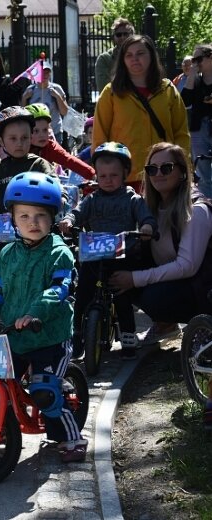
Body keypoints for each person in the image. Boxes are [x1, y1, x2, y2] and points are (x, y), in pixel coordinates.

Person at [0, 172, 88, 463]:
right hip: (14, 336)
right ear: (12, 218)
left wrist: (34, 312)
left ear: (53, 218)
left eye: (40, 216)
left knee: (44, 392)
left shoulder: (59, 253)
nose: (32, 223)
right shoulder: (8, 253)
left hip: (49, 336)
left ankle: (72, 438)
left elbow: (59, 289)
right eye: (24, 216)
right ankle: (4, 425)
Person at [58, 143, 157, 359]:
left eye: (114, 175)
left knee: (122, 296)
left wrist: (147, 227)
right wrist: (68, 219)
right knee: (82, 293)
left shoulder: (133, 199)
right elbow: (77, 213)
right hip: (94, 255)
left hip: (123, 255)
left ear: (125, 174)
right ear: (96, 175)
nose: (108, 180)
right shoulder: (91, 200)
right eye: (102, 176)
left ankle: (129, 337)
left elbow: (146, 217)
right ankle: (77, 336)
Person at [109, 142, 212, 346]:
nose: (158, 174)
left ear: (183, 172)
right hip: (177, 280)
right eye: (151, 169)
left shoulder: (196, 210)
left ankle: (199, 326)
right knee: (117, 268)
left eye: (166, 168)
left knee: (152, 297)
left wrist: (136, 278)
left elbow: (187, 266)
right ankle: (165, 325)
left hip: (201, 287)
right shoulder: (148, 207)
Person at [93, 35, 190, 193]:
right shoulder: (111, 93)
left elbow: (181, 133)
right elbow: (99, 137)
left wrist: (182, 166)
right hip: (125, 178)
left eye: (140, 53)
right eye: (129, 55)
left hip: (164, 174)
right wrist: (103, 174)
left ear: (151, 56)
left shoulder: (168, 90)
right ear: (123, 60)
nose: (134, 59)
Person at [0, 106, 54, 226]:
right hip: (5, 230)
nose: (19, 143)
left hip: (37, 226)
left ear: (31, 137)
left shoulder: (39, 164)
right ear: (1, 141)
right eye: (13, 138)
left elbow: (54, 184)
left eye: (24, 138)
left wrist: (61, 197)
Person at [25, 103, 95, 180]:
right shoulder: (22, 147)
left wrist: (92, 174)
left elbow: (70, 160)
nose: (42, 135)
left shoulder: (50, 146)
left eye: (45, 130)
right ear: (26, 132)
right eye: (36, 131)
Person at [181, 44, 212, 197]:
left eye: (198, 59)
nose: (195, 63)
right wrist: (192, 75)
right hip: (199, 128)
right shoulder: (196, 80)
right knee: (203, 171)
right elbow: (184, 102)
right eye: (193, 59)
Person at [20, 62, 69, 142]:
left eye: (47, 72)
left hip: (55, 132)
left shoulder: (57, 89)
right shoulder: (30, 90)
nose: (45, 75)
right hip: (35, 133)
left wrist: (57, 96)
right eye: (42, 72)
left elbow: (64, 112)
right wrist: (24, 98)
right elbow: (23, 113)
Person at [95, 18, 135, 93]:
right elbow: (105, 89)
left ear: (132, 35)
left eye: (126, 34)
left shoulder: (139, 56)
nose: (122, 37)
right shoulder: (104, 59)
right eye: (118, 35)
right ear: (114, 37)